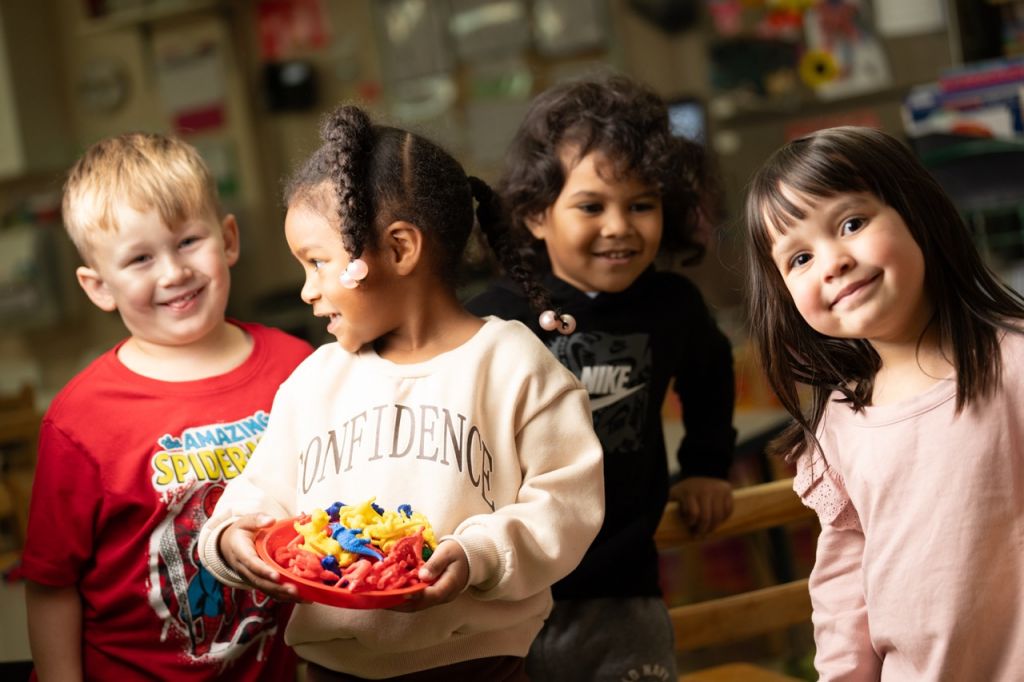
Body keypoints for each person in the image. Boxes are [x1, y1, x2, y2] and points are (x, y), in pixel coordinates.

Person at [195, 104, 605, 682]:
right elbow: (260, 496)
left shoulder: (512, 367)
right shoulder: (315, 381)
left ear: (399, 249)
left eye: (317, 263)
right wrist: (232, 538)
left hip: (478, 664)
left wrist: (476, 555)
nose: (309, 292)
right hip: (332, 668)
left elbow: (565, 505)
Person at [466, 72, 737, 682]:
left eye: (641, 205)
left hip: (627, 584)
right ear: (536, 215)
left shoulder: (673, 305)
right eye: (592, 206)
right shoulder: (495, 318)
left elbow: (711, 373)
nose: (620, 226)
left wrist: (706, 466)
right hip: (506, 592)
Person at [20, 132, 314, 681]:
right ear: (98, 286)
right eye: (139, 258)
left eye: (186, 242)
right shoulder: (80, 417)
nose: (173, 273)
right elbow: (52, 584)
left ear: (228, 238)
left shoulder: (300, 369)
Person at [744, 125, 1024, 680]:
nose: (832, 262)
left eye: (851, 224)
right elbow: (845, 581)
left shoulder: (1014, 363)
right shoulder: (840, 420)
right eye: (798, 259)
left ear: (917, 215)